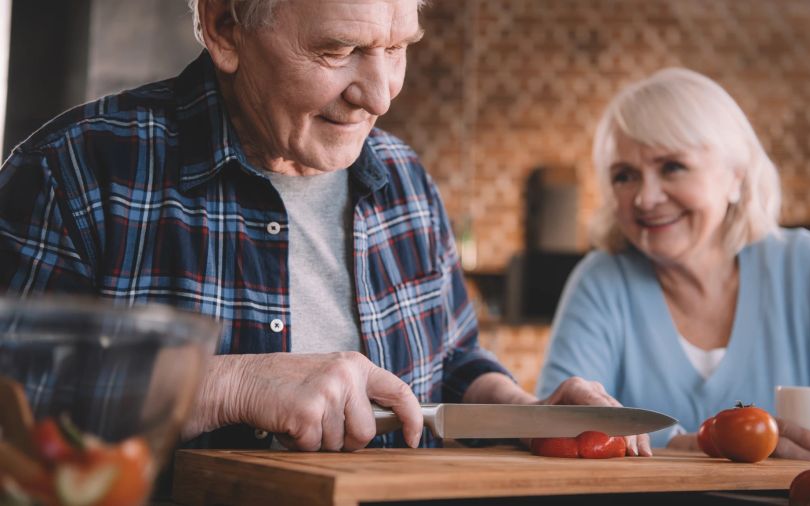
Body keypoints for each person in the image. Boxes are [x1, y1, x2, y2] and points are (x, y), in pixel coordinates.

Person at [0, 0, 648, 454]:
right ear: (224, 25)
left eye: (396, 48)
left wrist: (520, 410)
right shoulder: (77, 169)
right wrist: (229, 384)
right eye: (341, 49)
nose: (381, 93)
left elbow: (450, 360)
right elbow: (12, 401)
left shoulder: (405, 178)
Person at [536, 67, 810, 467]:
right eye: (624, 176)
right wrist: (701, 445)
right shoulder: (600, 280)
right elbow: (557, 428)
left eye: (672, 166)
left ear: (736, 178)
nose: (645, 198)